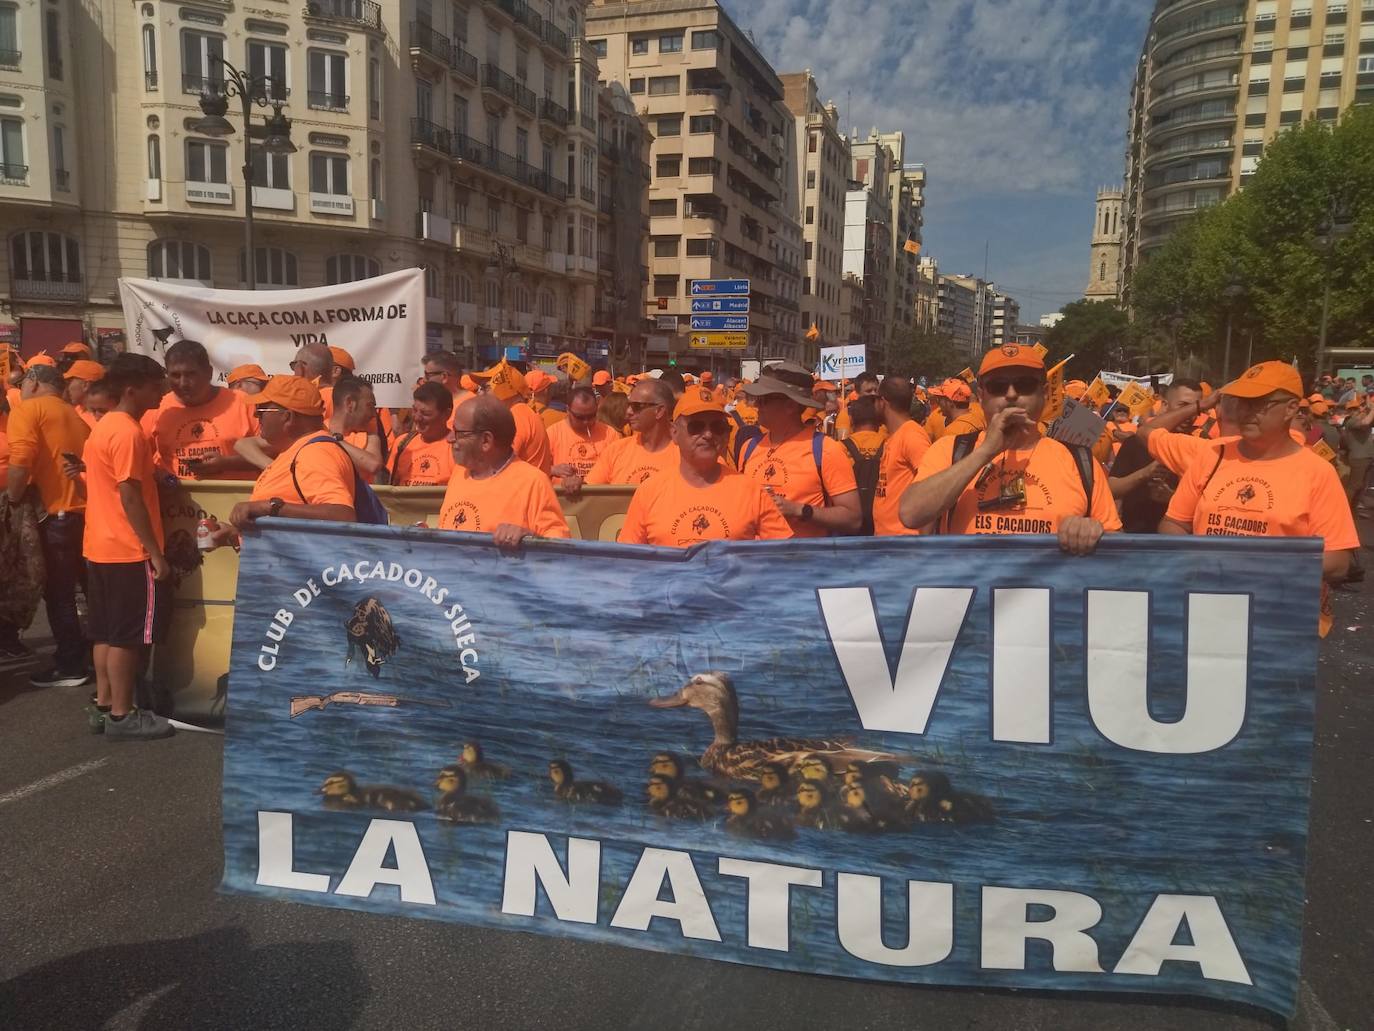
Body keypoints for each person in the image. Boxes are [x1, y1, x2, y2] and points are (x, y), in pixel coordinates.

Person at [1159, 362, 1358, 631]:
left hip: (1279, 620)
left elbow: (1336, 561)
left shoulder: (1317, 472)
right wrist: (1200, 558)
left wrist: (1255, 566)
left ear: (1290, 408)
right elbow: (1173, 523)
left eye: (1259, 403)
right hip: (1208, 607)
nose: (1246, 413)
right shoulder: (1213, 455)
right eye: (1241, 403)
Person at [900, 345, 1119, 555]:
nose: (1012, 394)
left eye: (1025, 384)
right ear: (982, 396)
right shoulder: (950, 450)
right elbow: (911, 514)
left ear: (1043, 394)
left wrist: (1092, 531)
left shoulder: (1080, 461)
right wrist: (985, 452)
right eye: (998, 386)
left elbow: (1122, 554)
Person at [80, 353, 174, 740]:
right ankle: (123, 714)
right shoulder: (129, 432)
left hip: (98, 546)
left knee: (104, 633)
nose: (163, 392)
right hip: (126, 549)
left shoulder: (103, 427)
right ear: (133, 389)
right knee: (128, 636)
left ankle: (104, 705)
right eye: (157, 386)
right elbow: (130, 495)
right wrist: (153, 550)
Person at [6, 362, 92, 688]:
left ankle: (70, 663)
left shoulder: (28, 411)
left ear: (33, 381)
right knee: (88, 591)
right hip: (85, 513)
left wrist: (12, 500)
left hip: (56, 515)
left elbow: (21, 460)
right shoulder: (76, 416)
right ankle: (94, 654)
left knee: (59, 595)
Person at [620, 389, 793, 547]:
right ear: (674, 433)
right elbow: (628, 558)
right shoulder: (649, 491)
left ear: (726, 435)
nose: (708, 434)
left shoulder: (751, 490)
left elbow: (784, 556)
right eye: (696, 427)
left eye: (718, 427)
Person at [739, 361, 861, 536]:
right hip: (753, 560)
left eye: (764, 399)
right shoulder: (749, 447)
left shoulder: (826, 449)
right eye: (757, 399)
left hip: (803, 560)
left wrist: (799, 510)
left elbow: (853, 518)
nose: (757, 405)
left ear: (790, 406)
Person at [227, 376, 358, 534]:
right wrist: (233, 534)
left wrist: (270, 507)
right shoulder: (297, 450)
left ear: (287, 416)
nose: (256, 417)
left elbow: (343, 516)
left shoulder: (314, 454)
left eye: (261, 410)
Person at [437, 395, 570, 550]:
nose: (449, 438)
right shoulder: (460, 473)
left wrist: (529, 538)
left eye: (458, 432)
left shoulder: (532, 481)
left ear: (486, 441)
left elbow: (561, 549)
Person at [145, 339, 259, 480]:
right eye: (175, 375)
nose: (183, 383)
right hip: (176, 498)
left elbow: (273, 457)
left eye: (191, 374)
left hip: (234, 497)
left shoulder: (242, 403)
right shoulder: (157, 408)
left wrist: (227, 463)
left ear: (209, 373)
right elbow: (141, 462)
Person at [1108, 379, 1203, 534]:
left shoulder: (1202, 447)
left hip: (1180, 544)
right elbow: (1111, 489)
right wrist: (1145, 473)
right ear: (1164, 405)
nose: (1190, 413)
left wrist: (1172, 498)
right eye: (1184, 406)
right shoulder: (1135, 442)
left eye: (1196, 408)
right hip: (1135, 540)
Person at [565, 379, 678, 494]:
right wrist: (575, 483)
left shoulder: (684, 455)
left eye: (636, 406)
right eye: (628, 405)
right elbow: (590, 491)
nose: (628, 411)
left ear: (659, 411)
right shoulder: (616, 451)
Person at [871, 374, 932, 537]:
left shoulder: (912, 435)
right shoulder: (896, 435)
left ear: (883, 402)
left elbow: (931, 487)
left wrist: (923, 543)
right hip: (889, 542)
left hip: (904, 543)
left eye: (875, 400)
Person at [468, 360, 553, 474]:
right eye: (480, 389)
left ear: (506, 389)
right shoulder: (520, 413)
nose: (480, 394)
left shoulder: (515, 417)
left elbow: (497, 465)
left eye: (486, 387)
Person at [385, 382, 455, 486]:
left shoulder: (456, 447)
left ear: (446, 414)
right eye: (414, 410)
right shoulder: (402, 443)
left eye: (425, 414)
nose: (417, 418)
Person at [549, 386, 617, 481]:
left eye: (591, 416)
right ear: (568, 410)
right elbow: (535, 469)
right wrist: (553, 470)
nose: (586, 421)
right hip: (563, 495)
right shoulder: (552, 433)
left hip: (600, 495)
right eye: (579, 417)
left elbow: (619, 467)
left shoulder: (610, 433)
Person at [839, 395, 885, 536]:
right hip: (881, 524)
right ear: (879, 421)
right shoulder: (890, 445)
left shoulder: (838, 448)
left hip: (848, 525)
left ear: (851, 420)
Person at [325, 375, 385, 481]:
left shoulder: (369, 438)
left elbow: (373, 465)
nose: (373, 415)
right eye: (370, 406)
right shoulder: (316, 430)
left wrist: (333, 440)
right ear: (350, 403)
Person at [422, 352, 475, 421]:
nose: (424, 379)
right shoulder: (432, 402)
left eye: (427, 375)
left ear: (444, 377)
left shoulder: (471, 406)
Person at [63, 359, 106, 427]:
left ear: (86, 385)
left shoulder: (103, 419)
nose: (67, 387)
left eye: (69, 382)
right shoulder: (75, 411)